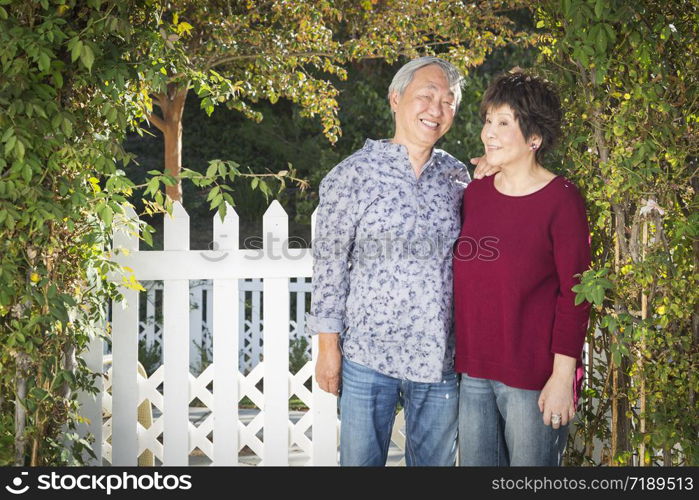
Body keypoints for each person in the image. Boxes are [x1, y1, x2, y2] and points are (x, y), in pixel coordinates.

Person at [306, 56, 496, 466]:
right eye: (426, 95)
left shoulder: (456, 176)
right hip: (367, 355)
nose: (437, 109)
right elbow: (329, 270)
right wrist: (327, 348)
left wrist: (502, 171)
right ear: (396, 98)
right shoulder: (352, 174)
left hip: (438, 357)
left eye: (448, 101)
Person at [453, 70, 592, 466]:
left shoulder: (561, 200)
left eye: (502, 123)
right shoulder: (476, 193)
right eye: (487, 121)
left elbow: (576, 295)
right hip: (474, 373)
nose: (487, 133)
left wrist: (564, 378)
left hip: (535, 380)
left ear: (534, 139)